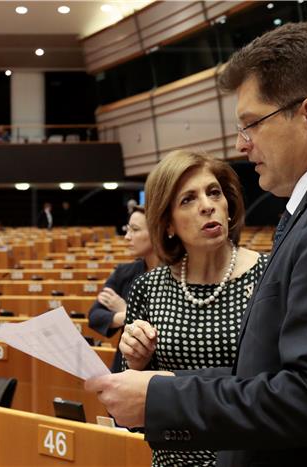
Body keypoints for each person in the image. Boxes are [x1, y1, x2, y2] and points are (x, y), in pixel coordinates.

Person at [85, 22, 307, 467]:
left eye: (252, 124)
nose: (241, 144)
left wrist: (162, 397)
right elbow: (269, 373)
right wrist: (159, 384)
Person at [120, 150, 267, 466]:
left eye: (214, 192)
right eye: (188, 199)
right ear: (168, 223)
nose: (207, 205)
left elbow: (278, 387)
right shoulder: (148, 287)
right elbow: (125, 409)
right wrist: (135, 362)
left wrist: (169, 384)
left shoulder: (269, 276)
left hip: (247, 458)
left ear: (228, 207)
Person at [88, 206, 159, 373]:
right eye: (127, 230)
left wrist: (126, 310)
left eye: (134, 230)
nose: (127, 237)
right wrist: (126, 315)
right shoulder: (124, 272)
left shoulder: (180, 276)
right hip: (125, 367)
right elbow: (95, 316)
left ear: (158, 232)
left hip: (160, 371)